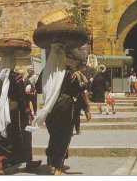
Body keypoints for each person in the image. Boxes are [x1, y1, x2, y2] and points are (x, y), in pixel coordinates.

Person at [26, 43, 90, 175]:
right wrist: (86, 109)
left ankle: (51, 163)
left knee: (54, 136)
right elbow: (78, 92)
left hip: (49, 108)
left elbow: (38, 89)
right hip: (65, 108)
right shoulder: (67, 73)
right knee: (64, 137)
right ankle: (58, 168)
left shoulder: (45, 72)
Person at [0, 53, 41, 175]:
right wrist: (28, 111)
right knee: (23, 135)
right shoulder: (16, 77)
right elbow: (21, 97)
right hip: (14, 111)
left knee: (2, 136)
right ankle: (28, 162)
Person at [73, 61, 91, 135]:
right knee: (76, 114)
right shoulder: (79, 74)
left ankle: (72, 130)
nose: (85, 69)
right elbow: (86, 83)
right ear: (80, 67)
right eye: (84, 67)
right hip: (78, 97)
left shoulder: (73, 74)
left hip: (72, 97)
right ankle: (77, 129)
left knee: (73, 114)